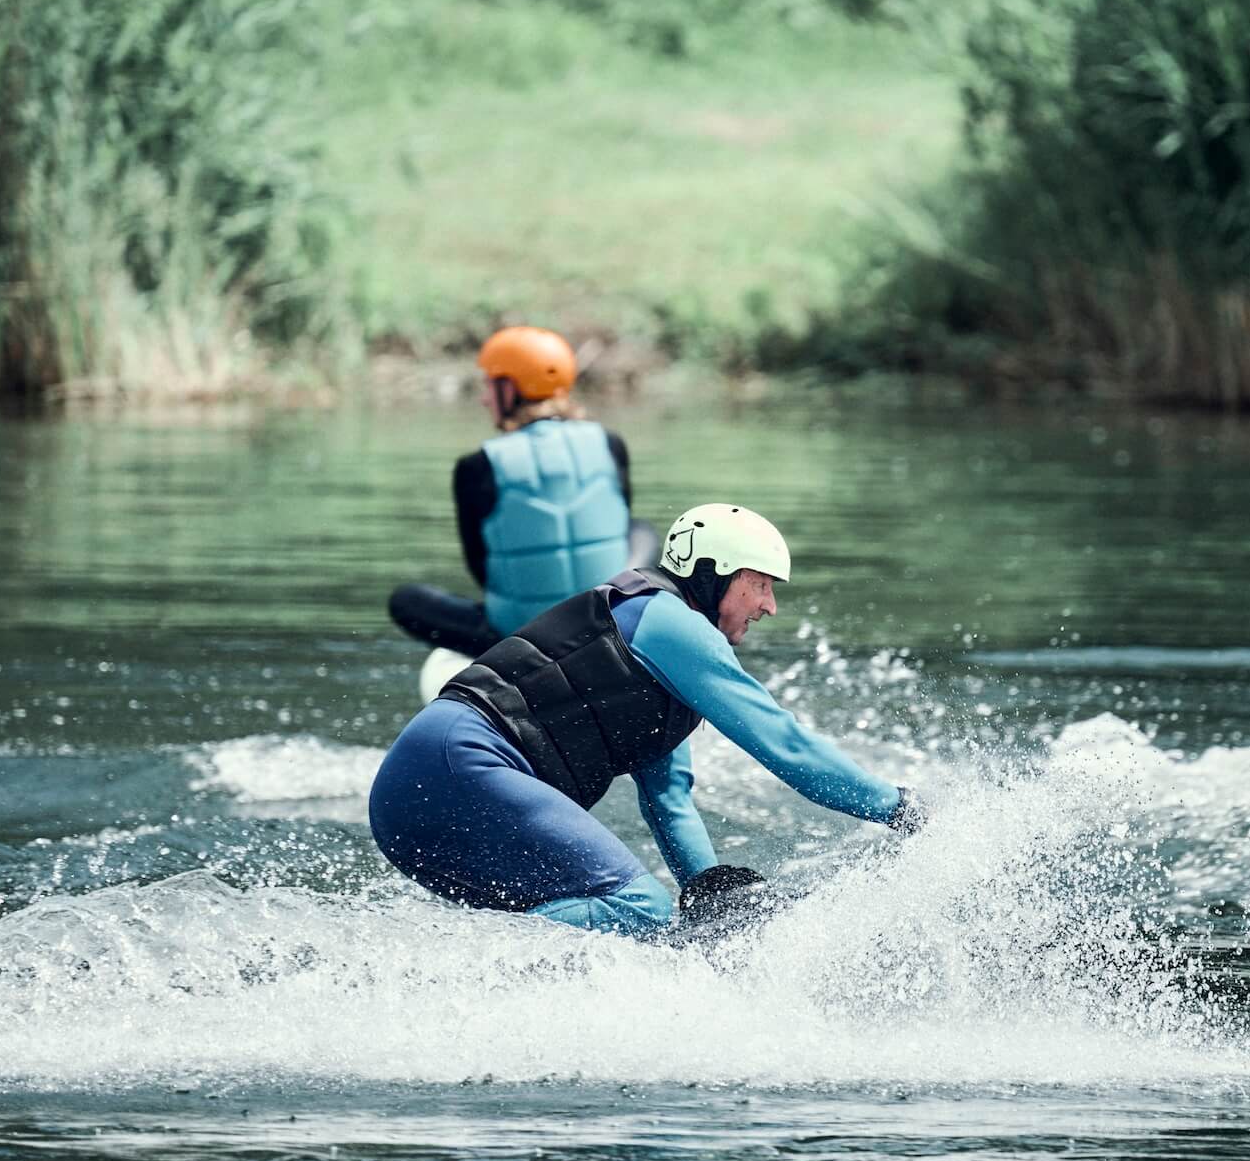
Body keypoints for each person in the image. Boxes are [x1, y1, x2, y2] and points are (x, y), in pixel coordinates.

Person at [368, 503, 926, 938]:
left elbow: (669, 800)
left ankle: (451, 980)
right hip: (456, 764)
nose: (769, 606)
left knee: (630, 922)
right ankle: (459, 967)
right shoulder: (669, 624)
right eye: (759, 584)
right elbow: (786, 745)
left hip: (422, 798)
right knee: (641, 910)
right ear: (714, 575)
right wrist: (903, 809)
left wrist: (707, 893)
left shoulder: (659, 654)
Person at [387, 326, 655, 657]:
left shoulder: (478, 465)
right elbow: (615, 527)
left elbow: (483, 570)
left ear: (509, 388)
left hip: (521, 641)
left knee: (406, 601)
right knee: (641, 531)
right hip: (604, 627)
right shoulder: (610, 444)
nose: (484, 399)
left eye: (489, 385)